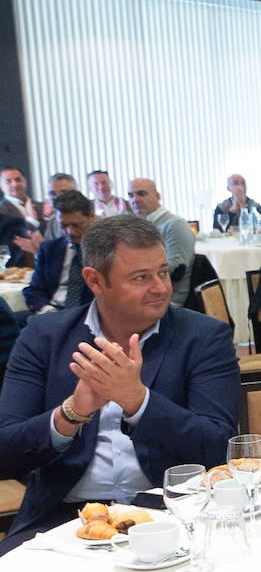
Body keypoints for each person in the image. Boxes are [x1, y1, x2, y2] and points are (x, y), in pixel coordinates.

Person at [0, 215, 239, 552]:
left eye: (163, 272)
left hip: (172, 515)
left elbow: (220, 446)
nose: (161, 287)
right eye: (141, 277)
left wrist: (139, 402)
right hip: (64, 518)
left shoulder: (202, 337)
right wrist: (70, 414)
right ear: (95, 280)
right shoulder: (43, 338)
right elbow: (4, 452)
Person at [125, 178, 196, 307]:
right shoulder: (138, 226)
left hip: (170, 300)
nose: (135, 200)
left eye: (141, 194)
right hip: (146, 295)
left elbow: (176, 271)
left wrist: (133, 276)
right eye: (130, 195)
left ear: (157, 196)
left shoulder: (175, 225)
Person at [24, 190, 96, 313]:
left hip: (87, 314)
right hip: (51, 311)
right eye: (63, 225)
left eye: (77, 225)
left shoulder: (105, 249)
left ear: (91, 216)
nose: (70, 232)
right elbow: (34, 289)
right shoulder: (49, 249)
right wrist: (47, 310)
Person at [41, 174, 78, 242]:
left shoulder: (87, 219)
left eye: (63, 192)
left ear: (77, 193)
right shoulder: (52, 223)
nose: (57, 197)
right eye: (52, 193)